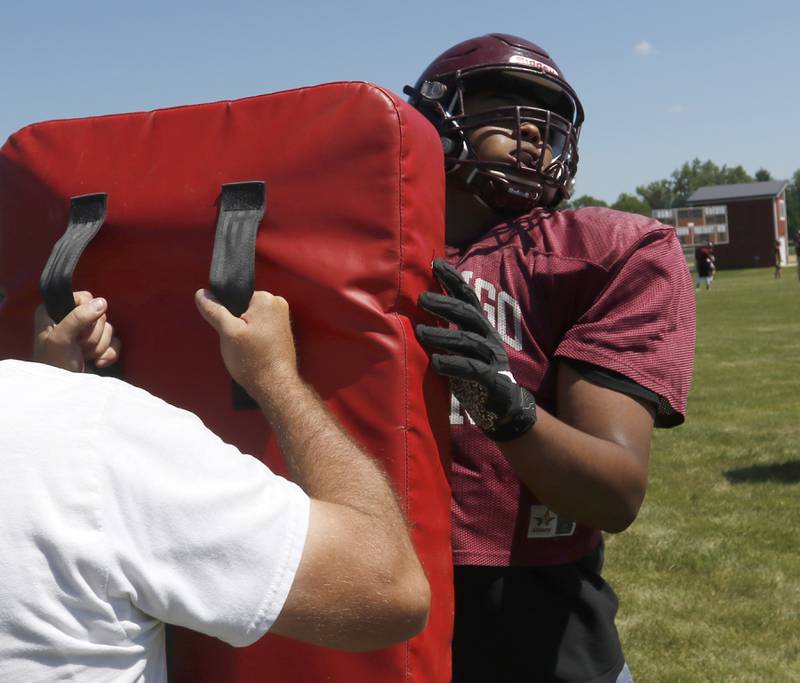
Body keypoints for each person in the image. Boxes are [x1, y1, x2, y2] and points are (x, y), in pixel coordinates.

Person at [406, 34, 695, 683]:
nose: (533, 131)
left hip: (541, 620)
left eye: (546, 120)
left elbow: (614, 490)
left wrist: (509, 411)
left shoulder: (598, 253)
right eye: (505, 105)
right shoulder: (366, 241)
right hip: (378, 598)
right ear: (433, 118)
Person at [0, 289, 430, 681]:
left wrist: (55, 399)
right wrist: (276, 379)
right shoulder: (98, 432)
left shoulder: (80, 432)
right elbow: (389, 589)